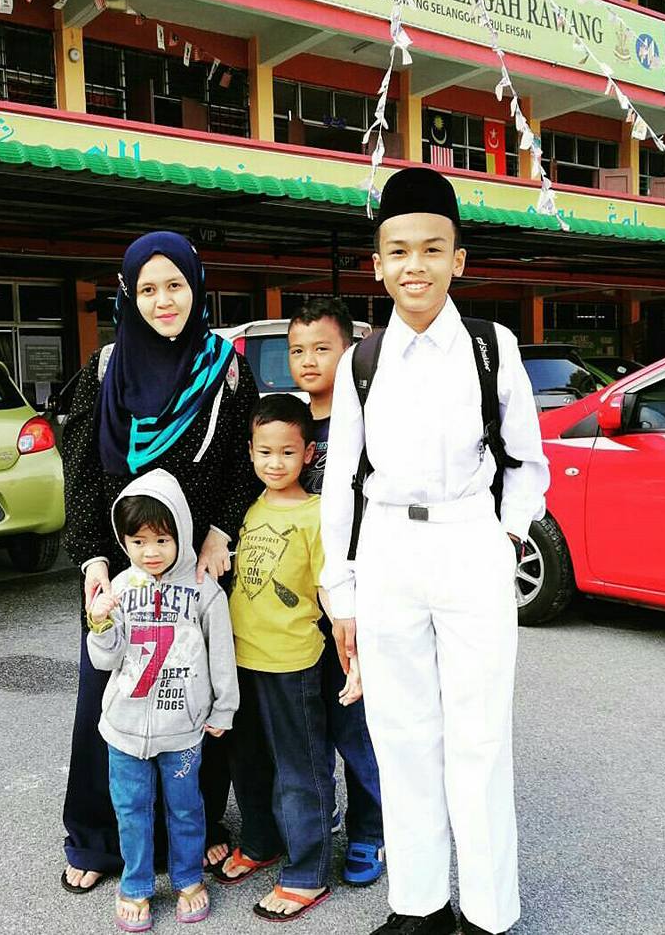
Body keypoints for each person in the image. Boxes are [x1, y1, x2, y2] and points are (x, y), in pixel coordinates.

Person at [320, 167, 550, 935]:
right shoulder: (363, 361)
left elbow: (527, 462)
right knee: (401, 734)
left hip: (468, 541)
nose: (413, 265)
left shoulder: (491, 348)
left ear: (459, 259)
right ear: (376, 264)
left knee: (479, 738)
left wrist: (503, 537)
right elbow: (342, 483)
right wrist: (342, 591)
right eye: (398, 251)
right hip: (388, 548)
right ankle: (418, 905)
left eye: (431, 248)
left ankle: (487, 914)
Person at [60, 230, 260, 894]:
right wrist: (93, 561)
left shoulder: (227, 369)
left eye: (175, 284)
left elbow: (244, 462)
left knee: (194, 693)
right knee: (109, 697)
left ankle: (192, 832)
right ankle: (97, 837)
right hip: (125, 569)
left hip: (195, 569)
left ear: (197, 287)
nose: (163, 300)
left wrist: (221, 531)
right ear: (128, 295)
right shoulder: (105, 368)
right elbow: (82, 470)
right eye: (147, 288)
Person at [86, 468, 239, 931]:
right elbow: (105, 660)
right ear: (124, 541)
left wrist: (224, 707)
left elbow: (221, 653)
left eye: (162, 540)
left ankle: (188, 878)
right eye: (138, 542)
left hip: (183, 728)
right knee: (131, 810)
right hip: (124, 727)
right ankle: (135, 884)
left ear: (181, 535)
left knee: (186, 807)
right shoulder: (118, 589)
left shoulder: (203, 589)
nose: (150, 552)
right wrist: (100, 622)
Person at [213, 393, 333, 922]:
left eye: (287, 452)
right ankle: (261, 842)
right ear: (251, 452)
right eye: (265, 452)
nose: (275, 463)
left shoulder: (318, 514)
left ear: (308, 454)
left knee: (299, 767)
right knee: (248, 762)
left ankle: (307, 871)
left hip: (293, 662)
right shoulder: (248, 508)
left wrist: (354, 646)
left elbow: (331, 589)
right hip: (241, 660)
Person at [288, 298, 385, 886]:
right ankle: (319, 816)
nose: (309, 360)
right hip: (300, 606)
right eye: (297, 350)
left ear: (349, 352)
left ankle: (371, 829)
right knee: (310, 717)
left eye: (322, 348)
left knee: (357, 722)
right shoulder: (289, 428)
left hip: (356, 594)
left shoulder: (369, 423)